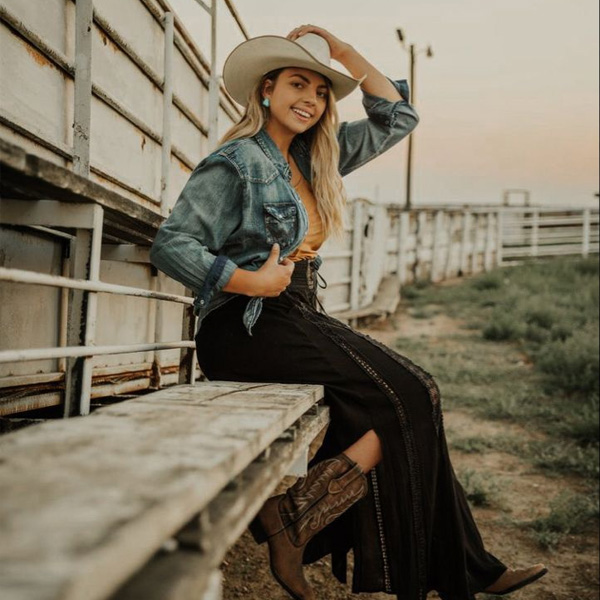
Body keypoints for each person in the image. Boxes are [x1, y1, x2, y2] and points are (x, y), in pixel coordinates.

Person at [150, 24, 548, 600]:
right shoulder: (237, 162)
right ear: (265, 90)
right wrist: (252, 280)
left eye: (320, 90)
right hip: (247, 324)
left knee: (404, 400)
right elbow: (172, 244)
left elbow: (398, 118)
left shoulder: (317, 159)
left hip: (296, 313)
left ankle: (294, 518)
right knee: (414, 391)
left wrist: (339, 50)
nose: (309, 99)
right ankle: (464, 569)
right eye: (296, 83)